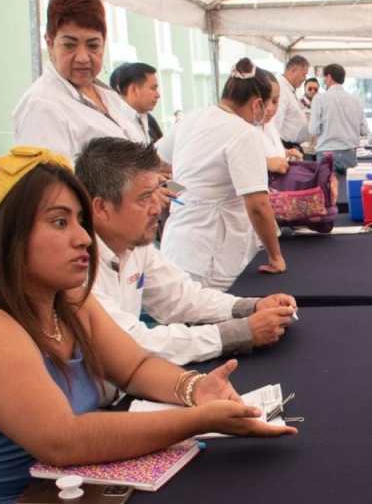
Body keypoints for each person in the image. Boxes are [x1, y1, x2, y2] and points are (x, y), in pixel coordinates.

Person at [0, 148, 295, 504]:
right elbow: (62, 441)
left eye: (81, 222)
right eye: (60, 222)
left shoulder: (67, 300)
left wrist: (195, 388)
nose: (83, 237)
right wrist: (196, 420)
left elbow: (134, 366)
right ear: (5, 235)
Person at [76, 137, 295, 366]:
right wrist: (241, 332)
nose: (157, 207)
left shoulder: (133, 244)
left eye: (157, 193)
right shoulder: (75, 267)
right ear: (101, 208)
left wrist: (249, 307)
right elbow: (131, 343)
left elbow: (179, 296)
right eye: (144, 198)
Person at [161, 58, 285, 290]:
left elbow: (156, 163)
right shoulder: (244, 132)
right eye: (269, 103)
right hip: (213, 254)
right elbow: (258, 205)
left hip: (178, 244)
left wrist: (185, 193)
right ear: (257, 104)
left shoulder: (191, 118)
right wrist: (275, 256)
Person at [12, 0, 142, 160]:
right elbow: (52, 185)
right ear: (50, 43)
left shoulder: (109, 97)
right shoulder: (42, 106)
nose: (82, 58)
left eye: (93, 46)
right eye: (69, 45)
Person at [308, 63, 365, 173]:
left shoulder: (319, 99)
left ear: (329, 77)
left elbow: (313, 130)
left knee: (328, 189)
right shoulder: (356, 100)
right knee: (348, 189)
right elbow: (364, 130)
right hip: (349, 153)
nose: (324, 81)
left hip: (326, 154)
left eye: (324, 78)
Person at [109, 62, 163, 144]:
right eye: (153, 88)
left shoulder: (148, 119)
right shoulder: (113, 123)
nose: (158, 95)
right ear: (133, 89)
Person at [273, 54, 310, 148]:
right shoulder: (281, 88)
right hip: (285, 146)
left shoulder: (288, 89)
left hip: (292, 145)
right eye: (304, 74)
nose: (304, 79)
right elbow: (275, 124)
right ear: (294, 70)